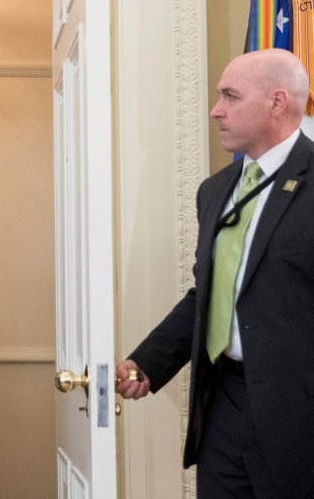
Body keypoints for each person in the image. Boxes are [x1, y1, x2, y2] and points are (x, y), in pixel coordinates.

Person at [115, 48, 314, 498]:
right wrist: (149, 361)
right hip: (223, 405)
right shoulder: (216, 190)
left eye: (230, 97)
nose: (215, 110)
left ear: (277, 102)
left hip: (298, 417)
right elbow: (208, 294)